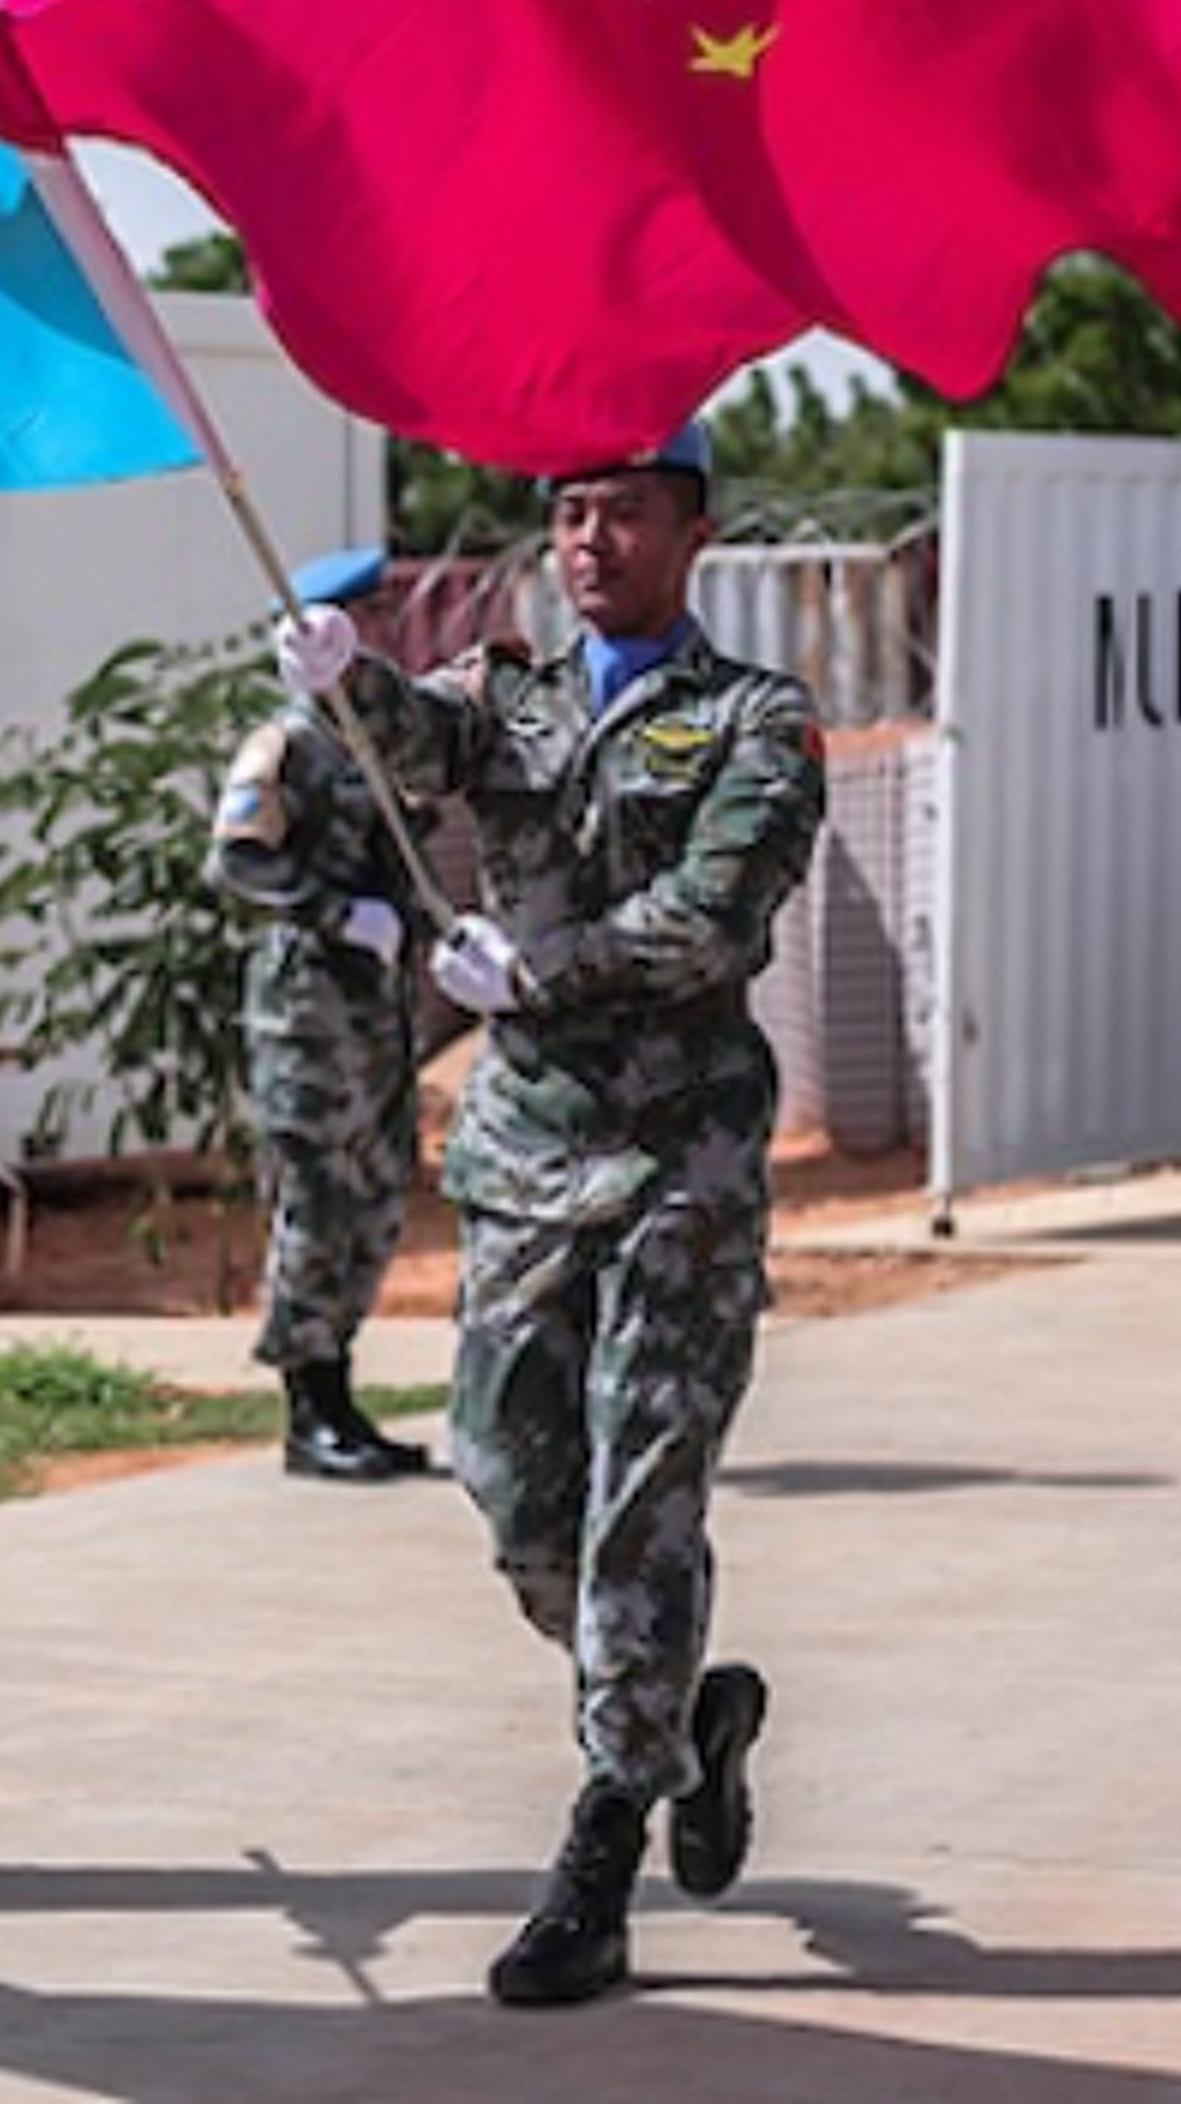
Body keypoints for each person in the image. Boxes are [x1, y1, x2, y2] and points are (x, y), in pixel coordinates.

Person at [277, 422, 824, 2010]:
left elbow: (711, 917)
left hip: (677, 1161)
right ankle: (685, 1712)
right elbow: (419, 742)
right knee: (516, 1490)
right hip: (527, 1154)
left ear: (694, 532)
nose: (591, 542)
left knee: (645, 1495)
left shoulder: (755, 720)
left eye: (625, 514)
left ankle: (601, 1846)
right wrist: (339, 680)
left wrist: (538, 971)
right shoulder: (508, 694)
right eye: (572, 514)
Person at [208, 543, 437, 1482]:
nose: (382, 632)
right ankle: (310, 1408)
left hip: (376, 1004)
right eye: (367, 617)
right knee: (317, 1200)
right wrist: (341, 914)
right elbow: (238, 857)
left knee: (377, 1196)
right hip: (307, 1006)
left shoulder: (380, 742)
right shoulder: (287, 744)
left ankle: (340, 1389)